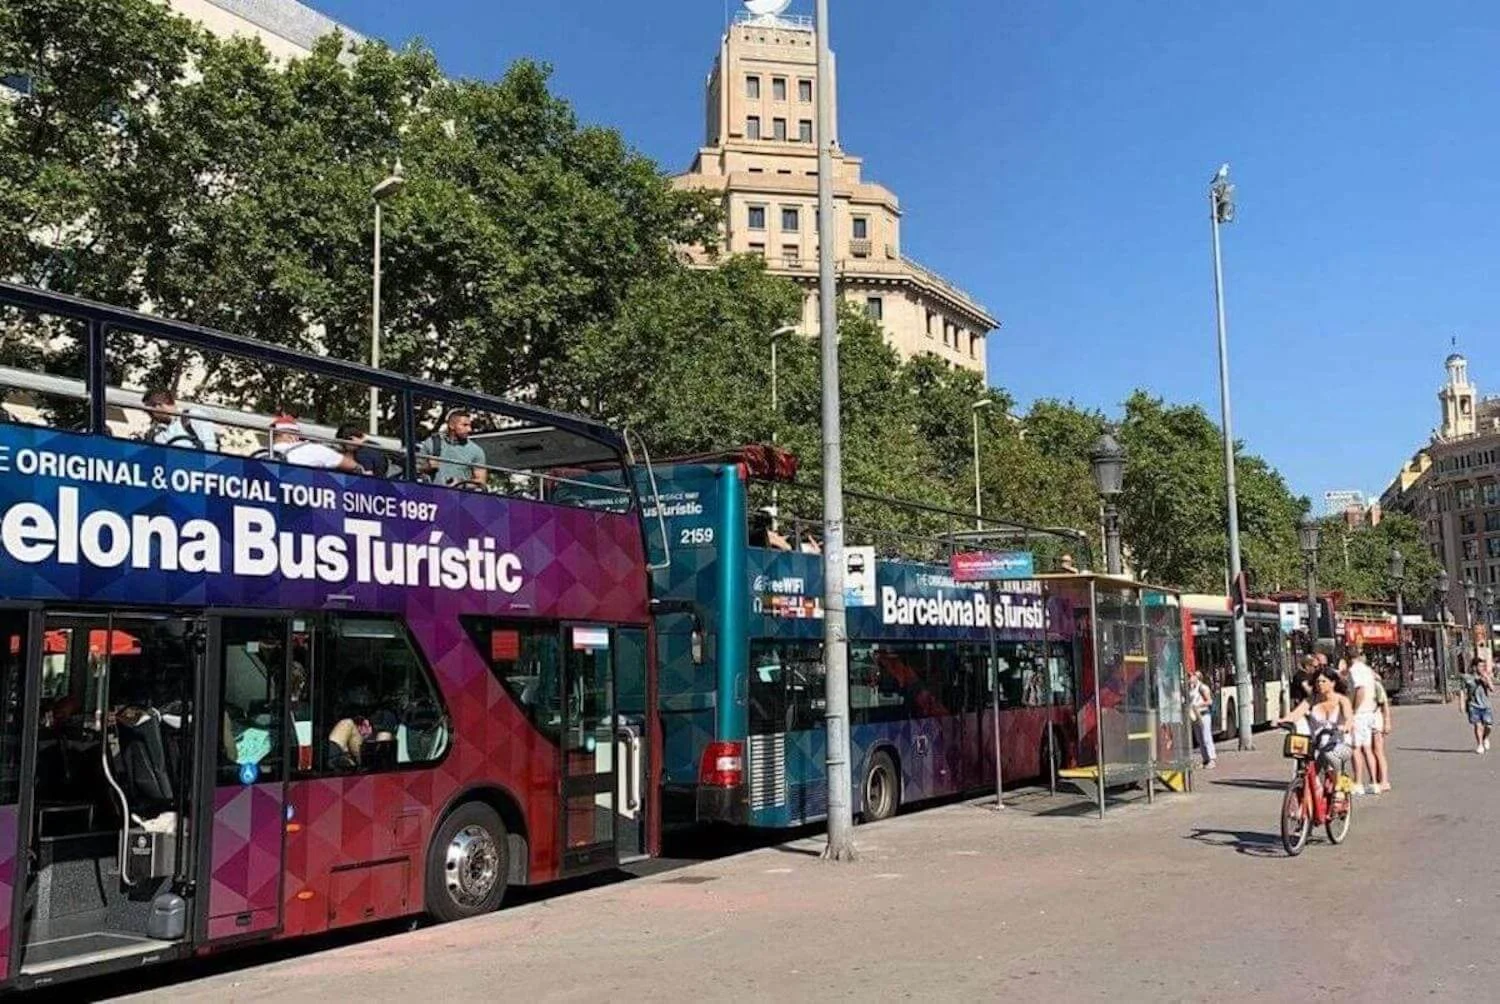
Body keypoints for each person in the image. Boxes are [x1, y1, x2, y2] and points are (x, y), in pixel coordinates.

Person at [1277, 667, 1355, 780]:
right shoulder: (1312, 699)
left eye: (1324, 681)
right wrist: (1283, 720)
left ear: (1332, 683)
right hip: (1317, 745)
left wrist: (1346, 727)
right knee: (1306, 769)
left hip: (1339, 743)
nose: (1320, 684)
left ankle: (1339, 784)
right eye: (1317, 681)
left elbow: (1349, 717)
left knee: (1330, 756)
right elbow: (1296, 714)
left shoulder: (1342, 700)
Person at [269, 415, 363, 473]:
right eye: (299, 437)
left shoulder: (262, 453)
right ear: (291, 435)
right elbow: (351, 465)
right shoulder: (312, 449)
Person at [1346, 645, 1381, 795]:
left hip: (1359, 713)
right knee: (1367, 749)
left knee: (1356, 748)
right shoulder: (1367, 669)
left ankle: (1358, 782)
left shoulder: (1354, 671)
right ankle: (1373, 783)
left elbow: (1360, 690)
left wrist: (1353, 709)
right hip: (1370, 711)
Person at [421, 409, 487, 487]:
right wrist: (427, 466)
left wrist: (461, 483)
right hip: (432, 495)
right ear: (451, 425)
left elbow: (481, 481)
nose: (469, 429)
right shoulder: (432, 442)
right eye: (465, 425)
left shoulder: (476, 451)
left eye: (470, 425)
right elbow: (416, 468)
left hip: (461, 497)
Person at [141, 388, 218, 452]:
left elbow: (210, 448)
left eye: (149, 412)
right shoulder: (157, 433)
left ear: (158, 406)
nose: (150, 416)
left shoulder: (192, 416)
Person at [1460, 658, 1493, 755]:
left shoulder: (1485, 676)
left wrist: (1486, 679)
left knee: (1489, 726)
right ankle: (1480, 745)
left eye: (1483, 666)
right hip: (1473, 705)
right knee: (1478, 725)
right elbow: (1462, 691)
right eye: (1480, 666)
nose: (1482, 668)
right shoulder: (1467, 677)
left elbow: (1492, 689)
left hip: (1486, 705)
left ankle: (1485, 737)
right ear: (1474, 667)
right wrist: (1461, 704)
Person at [1187, 665, 1216, 768]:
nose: (1188, 678)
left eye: (1190, 676)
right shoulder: (1189, 688)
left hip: (1203, 715)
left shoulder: (1202, 687)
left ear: (1196, 677)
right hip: (1195, 715)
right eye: (1188, 676)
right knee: (1199, 739)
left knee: (1206, 737)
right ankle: (1205, 760)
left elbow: (1209, 701)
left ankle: (1212, 759)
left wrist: (1198, 705)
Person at [1370, 667, 1393, 792]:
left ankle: (1384, 780)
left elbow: (1384, 704)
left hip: (1375, 717)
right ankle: (1374, 778)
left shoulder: (1376, 686)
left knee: (1378, 750)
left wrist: (1387, 722)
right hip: (1364, 720)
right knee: (1368, 751)